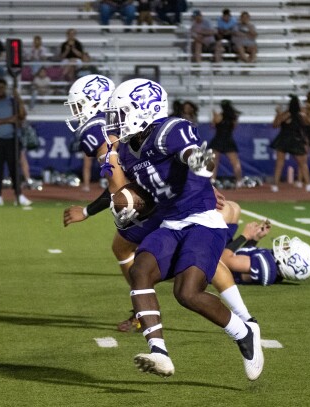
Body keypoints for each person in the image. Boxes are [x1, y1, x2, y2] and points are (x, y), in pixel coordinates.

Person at [101, 78, 263, 379]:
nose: (116, 121)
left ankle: (244, 332)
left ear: (144, 109)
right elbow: (142, 191)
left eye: (122, 112)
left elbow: (191, 154)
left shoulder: (169, 130)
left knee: (187, 292)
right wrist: (128, 202)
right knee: (140, 271)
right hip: (170, 222)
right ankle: (159, 353)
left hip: (202, 219)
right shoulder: (125, 151)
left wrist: (199, 163)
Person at [222, 219, 310, 286]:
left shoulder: (266, 265)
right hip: (222, 255)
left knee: (226, 210)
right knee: (234, 209)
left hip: (214, 262)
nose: (284, 246)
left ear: (291, 263)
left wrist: (245, 236)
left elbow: (224, 260)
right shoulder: (273, 268)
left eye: (287, 249)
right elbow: (241, 257)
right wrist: (255, 239)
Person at [0, 78, 32, 207]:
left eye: (2, 87)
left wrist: (19, 99)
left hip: (11, 139)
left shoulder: (12, 102)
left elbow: (22, 115)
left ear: (5, 88)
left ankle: (19, 195)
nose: (0, 89)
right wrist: (8, 120)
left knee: (14, 169)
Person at [270, 95, 310, 193]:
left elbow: (275, 124)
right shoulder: (301, 115)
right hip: (295, 140)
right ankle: (308, 185)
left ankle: (275, 185)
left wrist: (278, 113)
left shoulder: (285, 114)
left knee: (280, 163)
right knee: (303, 163)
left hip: (284, 139)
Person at [209, 99, 244, 187]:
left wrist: (213, 114)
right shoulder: (234, 117)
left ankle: (212, 181)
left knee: (214, 162)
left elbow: (213, 125)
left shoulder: (219, 116)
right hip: (228, 140)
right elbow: (234, 127)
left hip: (218, 140)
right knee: (235, 162)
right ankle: (239, 181)